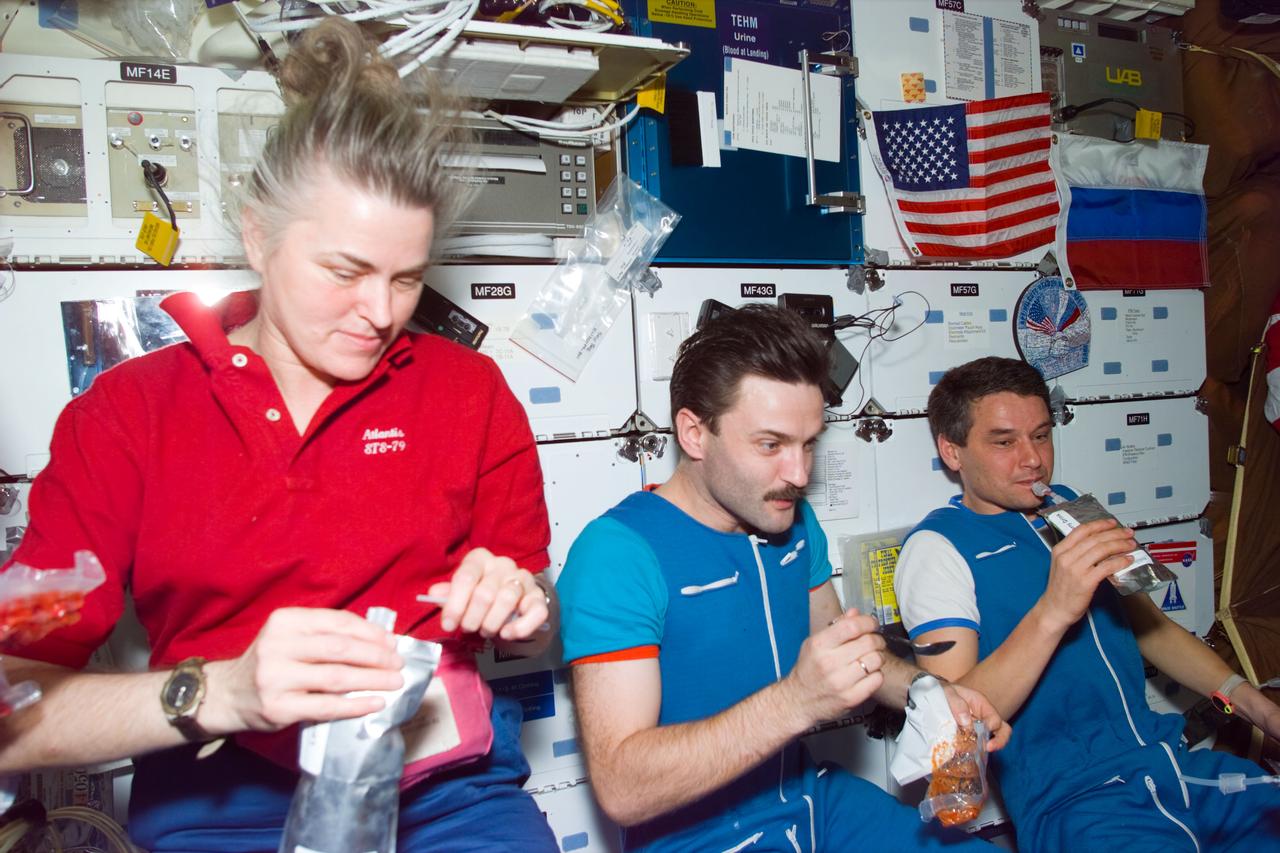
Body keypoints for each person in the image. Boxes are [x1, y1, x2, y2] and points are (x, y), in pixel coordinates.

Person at [0, 19, 558, 852]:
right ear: (259, 235)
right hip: (221, 806)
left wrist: (522, 601)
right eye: (345, 271)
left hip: (447, 801)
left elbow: (540, 611)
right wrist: (221, 692)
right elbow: (13, 702)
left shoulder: (469, 393)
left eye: (407, 278)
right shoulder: (127, 416)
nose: (380, 312)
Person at [556, 304, 1008, 852]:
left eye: (809, 443)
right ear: (695, 434)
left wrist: (932, 693)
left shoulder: (791, 518)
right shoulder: (617, 554)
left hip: (811, 803)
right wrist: (796, 701)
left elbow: (851, 658)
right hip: (699, 839)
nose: (798, 474)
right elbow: (623, 788)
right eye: (770, 445)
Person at [895, 355, 1280, 851]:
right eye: (1004, 442)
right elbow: (954, 725)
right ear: (952, 452)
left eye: (1040, 435)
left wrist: (1253, 705)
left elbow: (1151, 629)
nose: (1033, 459)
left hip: (1170, 765)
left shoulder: (1070, 504)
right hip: (1076, 802)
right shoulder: (936, 548)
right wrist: (1054, 609)